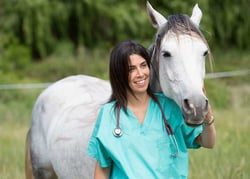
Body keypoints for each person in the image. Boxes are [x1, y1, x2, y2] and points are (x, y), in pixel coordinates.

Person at [86, 40, 216, 179]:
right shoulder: (109, 114)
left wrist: (207, 115)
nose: (140, 74)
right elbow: (102, 169)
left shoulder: (170, 108)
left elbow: (208, 142)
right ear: (119, 74)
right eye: (131, 69)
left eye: (143, 66)